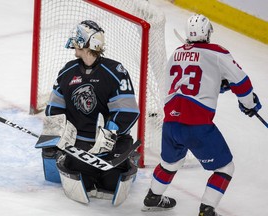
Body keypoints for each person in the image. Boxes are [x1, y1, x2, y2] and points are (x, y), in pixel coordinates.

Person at [142, 14, 262, 215]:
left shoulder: (176, 53)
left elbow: (179, 87)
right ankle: (207, 210)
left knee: (170, 163)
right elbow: (242, 82)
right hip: (197, 125)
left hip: (171, 124)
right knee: (225, 168)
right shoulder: (216, 53)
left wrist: (215, 84)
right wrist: (248, 104)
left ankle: (152, 197)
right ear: (207, 33)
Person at [38, 20, 140, 205]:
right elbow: (54, 110)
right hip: (78, 145)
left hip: (111, 145)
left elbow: (128, 111)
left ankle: (125, 161)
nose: (74, 42)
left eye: (78, 39)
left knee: (111, 182)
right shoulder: (67, 71)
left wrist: (109, 134)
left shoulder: (115, 71)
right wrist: (58, 134)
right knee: (83, 180)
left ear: (89, 43)